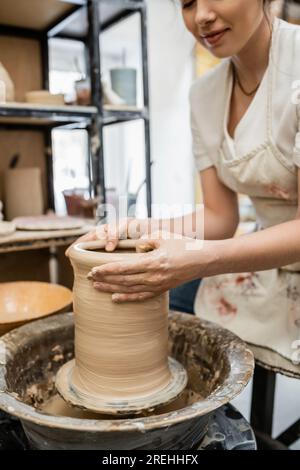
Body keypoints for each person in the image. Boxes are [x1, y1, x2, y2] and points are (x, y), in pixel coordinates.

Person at [74, 0, 300, 364]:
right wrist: (138, 228)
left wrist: (200, 259)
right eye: (188, 3)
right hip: (267, 262)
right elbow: (219, 218)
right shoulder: (204, 94)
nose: (202, 17)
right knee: (146, 295)